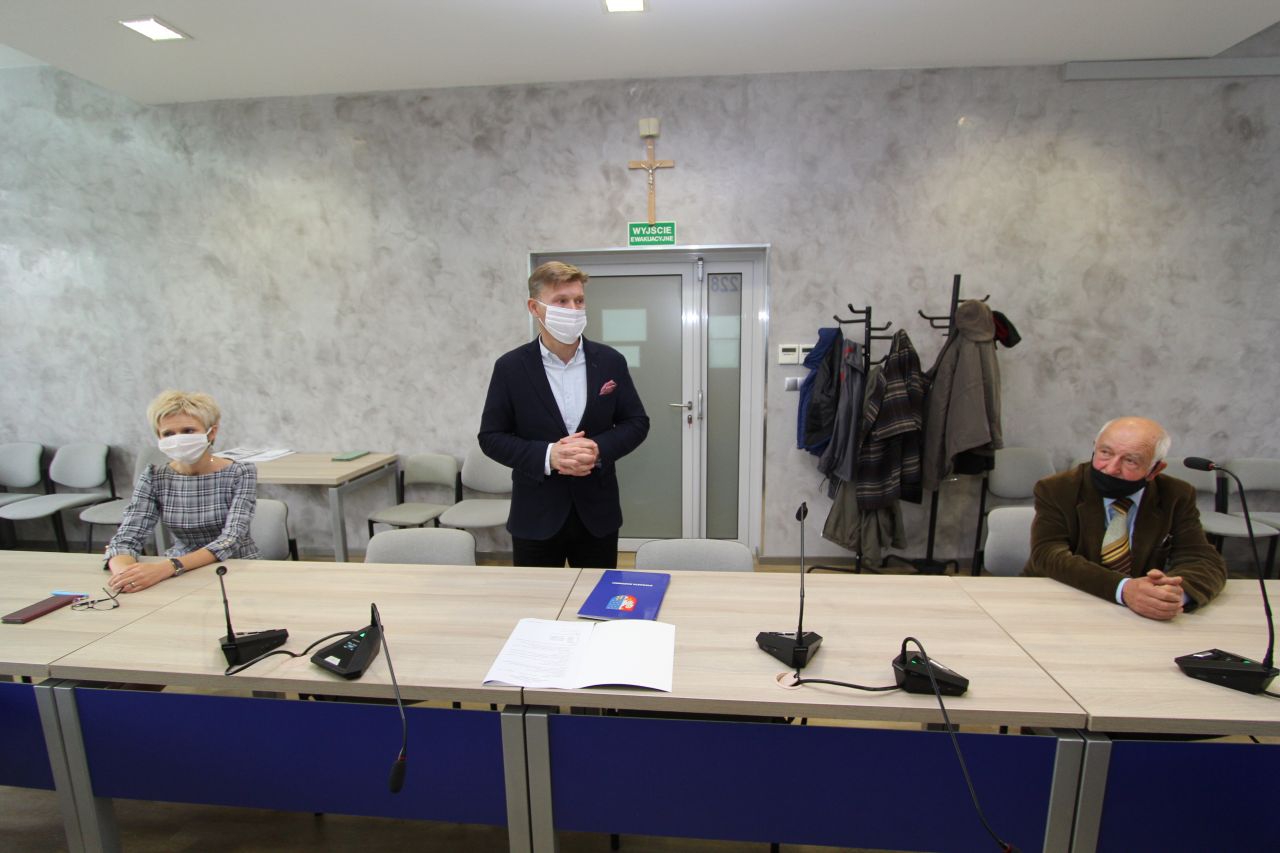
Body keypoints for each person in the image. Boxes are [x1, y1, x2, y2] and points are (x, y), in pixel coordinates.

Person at [479, 261, 649, 568]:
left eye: (579, 300)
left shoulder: (610, 361)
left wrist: (597, 449)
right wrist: (548, 456)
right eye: (561, 301)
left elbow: (636, 422)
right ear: (534, 307)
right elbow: (491, 437)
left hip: (597, 514)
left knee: (596, 596)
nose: (573, 309)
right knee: (537, 597)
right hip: (536, 515)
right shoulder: (510, 368)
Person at [1024, 416, 1226, 620]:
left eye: (1130, 461)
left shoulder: (1176, 495)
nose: (1111, 468)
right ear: (1095, 447)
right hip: (1062, 601)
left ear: (1155, 469)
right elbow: (1047, 554)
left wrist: (1173, 595)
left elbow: (1202, 559)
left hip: (1135, 616)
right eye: (1105, 453)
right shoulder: (1057, 488)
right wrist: (1123, 589)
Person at [106, 391, 259, 593]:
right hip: (176, 571)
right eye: (168, 434)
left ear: (211, 433)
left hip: (233, 566)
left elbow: (230, 540)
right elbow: (126, 537)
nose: (178, 439)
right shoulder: (154, 476)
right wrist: (124, 574)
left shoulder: (240, 472)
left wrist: (168, 568)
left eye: (188, 431)